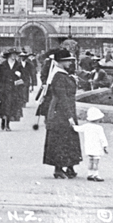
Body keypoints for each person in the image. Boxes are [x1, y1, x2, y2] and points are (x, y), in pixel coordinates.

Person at [43, 48, 82, 179]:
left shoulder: (63, 75)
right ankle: (58, 168)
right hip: (60, 113)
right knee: (61, 139)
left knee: (69, 138)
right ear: (60, 62)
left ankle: (70, 166)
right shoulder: (59, 77)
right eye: (67, 61)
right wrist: (69, 116)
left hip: (65, 110)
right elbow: (62, 97)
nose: (70, 63)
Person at [0, 48, 26, 131]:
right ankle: (3, 121)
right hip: (3, 89)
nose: (14, 56)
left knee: (11, 106)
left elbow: (23, 79)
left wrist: (19, 77)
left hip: (14, 90)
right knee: (4, 106)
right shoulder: (3, 65)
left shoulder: (18, 65)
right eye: (12, 54)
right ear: (9, 56)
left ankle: (7, 124)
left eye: (15, 54)